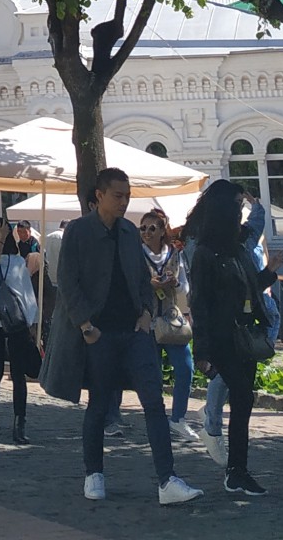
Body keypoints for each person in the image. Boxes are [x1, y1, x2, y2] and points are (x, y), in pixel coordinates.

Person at [41, 166, 201, 507]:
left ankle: (166, 479)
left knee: (154, 402)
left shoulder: (130, 232)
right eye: (118, 195)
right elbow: (68, 282)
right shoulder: (79, 232)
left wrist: (145, 312)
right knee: (99, 404)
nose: (125, 201)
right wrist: (86, 326)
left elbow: (141, 279)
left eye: (128, 195)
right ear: (99, 196)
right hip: (99, 334)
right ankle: (94, 473)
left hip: (134, 331)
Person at [185, 179, 277, 496]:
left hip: (245, 335)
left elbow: (251, 288)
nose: (240, 212)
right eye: (237, 206)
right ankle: (234, 466)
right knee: (240, 394)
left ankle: (237, 469)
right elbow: (200, 303)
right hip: (224, 338)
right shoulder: (205, 253)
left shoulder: (237, 249)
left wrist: (270, 273)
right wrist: (202, 351)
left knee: (243, 400)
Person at [0, 215, 41, 443]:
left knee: (18, 374)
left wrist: (32, 324)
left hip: (16, 323)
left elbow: (26, 293)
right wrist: (2, 241)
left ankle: (19, 422)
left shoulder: (16, 262)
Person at [136, 208, 194, 434]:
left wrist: (174, 283)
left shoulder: (174, 254)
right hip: (146, 321)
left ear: (162, 231)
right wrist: (150, 285)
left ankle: (178, 417)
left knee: (185, 368)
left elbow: (185, 287)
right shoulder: (136, 255)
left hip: (171, 320)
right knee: (153, 374)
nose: (147, 233)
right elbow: (131, 285)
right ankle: (156, 418)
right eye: (143, 228)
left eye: (152, 228)